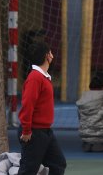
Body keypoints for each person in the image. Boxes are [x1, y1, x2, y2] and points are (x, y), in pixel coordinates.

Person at [17, 42, 66, 175]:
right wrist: (27, 130)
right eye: (51, 52)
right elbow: (27, 105)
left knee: (58, 163)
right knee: (28, 169)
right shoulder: (35, 78)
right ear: (47, 56)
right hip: (33, 131)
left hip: (45, 131)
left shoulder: (43, 77)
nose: (52, 55)